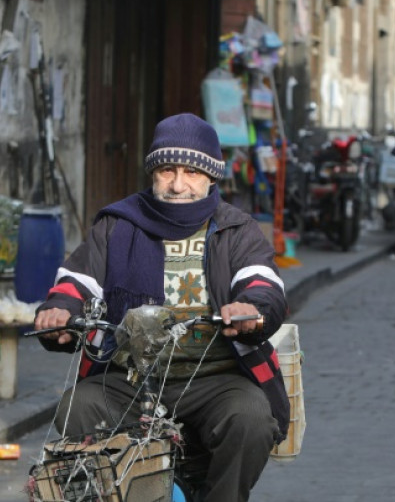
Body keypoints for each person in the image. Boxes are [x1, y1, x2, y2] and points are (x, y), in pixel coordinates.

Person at [33, 113, 289, 502]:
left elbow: (262, 281)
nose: (178, 184)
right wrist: (59, 310)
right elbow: (77, 280)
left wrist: (251, 307)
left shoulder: (237, 229)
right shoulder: (118, 225)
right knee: (78, 407)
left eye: (191, 172)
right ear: (153, 173)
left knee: (251, 418)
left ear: (211, 177)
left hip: (215, 379)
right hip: (130, 380)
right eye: (167, 170)